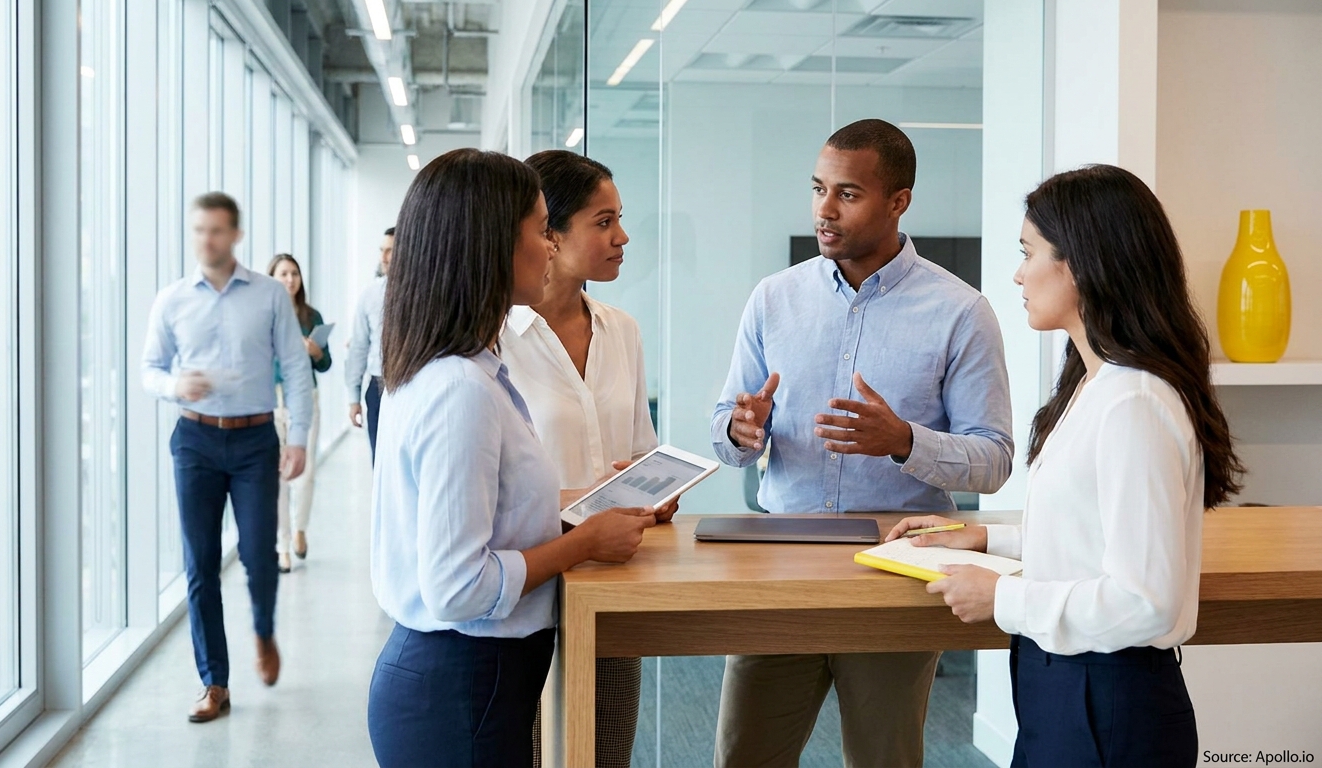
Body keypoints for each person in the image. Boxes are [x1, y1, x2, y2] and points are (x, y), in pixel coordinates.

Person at [888, 164, 1244, 768]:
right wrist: (989, 539)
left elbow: (1146, 600)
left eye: (1029, 253)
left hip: (1107, 696)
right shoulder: (1098, 385)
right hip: (1069, 686)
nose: (1019, 273)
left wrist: (1003, 597)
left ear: (1080, 263)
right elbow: (1092, 529)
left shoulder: (1134, 402)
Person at [709, 119, 1014, 768]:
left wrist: (904, 441)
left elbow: (994, 462)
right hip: (781, 569)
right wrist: (741, 430)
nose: (824, 209)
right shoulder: (773, 300)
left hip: (897, 571)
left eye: (847, 194)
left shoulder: (961, 311)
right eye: (818, 188)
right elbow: (725, 438)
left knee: (884, 760)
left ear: (898, 201)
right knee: (744, 757)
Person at [366, 148, 659, 768]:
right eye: (536, 228)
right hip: (463, 683)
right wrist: (585, 541)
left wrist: (595, 508)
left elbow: (498, 508)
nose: (549, 247)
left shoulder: (455, 370)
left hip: (469, 680)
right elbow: (457, 587)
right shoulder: (460, 389)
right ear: (493, 243)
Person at [503, 150, 672, 768]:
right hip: (525, 592)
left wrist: (655, 489)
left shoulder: (622, 329)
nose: (622, 237)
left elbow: (638, 452)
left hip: (608, 587)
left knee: (605, 753)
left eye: (619, 219)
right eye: (603, 222)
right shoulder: (492, 339)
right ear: (550, 231)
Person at [141, 192, 313, 722]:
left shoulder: (267, 297)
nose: (206, 240)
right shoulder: (171, 300)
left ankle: (263, 631)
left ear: (235, 235)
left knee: (260, 555)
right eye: (199, 231)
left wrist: (300, 437)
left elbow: (295, 366)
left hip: (254, 439)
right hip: (194, 441)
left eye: (216, 230)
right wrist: (175, 385)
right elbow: (148, 370)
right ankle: (214, 681)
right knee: (200, 564)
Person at [267, 253, 332, 572]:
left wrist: (316, 352)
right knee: (278, 477)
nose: (290, 279)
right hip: (272, 401)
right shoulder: (263, 313)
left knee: (304, 476)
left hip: (306, 398)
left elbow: (326, 363)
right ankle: (281, 546)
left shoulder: (311, 315)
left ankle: (299, 529)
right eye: (283, 273)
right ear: (272, 278)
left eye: (294, 273)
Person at [346, 227, 393, 462]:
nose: (383, 258)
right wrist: (353, 398)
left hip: (412, 382)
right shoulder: (370, 296)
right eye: (381, 251)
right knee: (380, 461)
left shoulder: (425, 294)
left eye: (390, 251)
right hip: (378, 387)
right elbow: (358, 348)